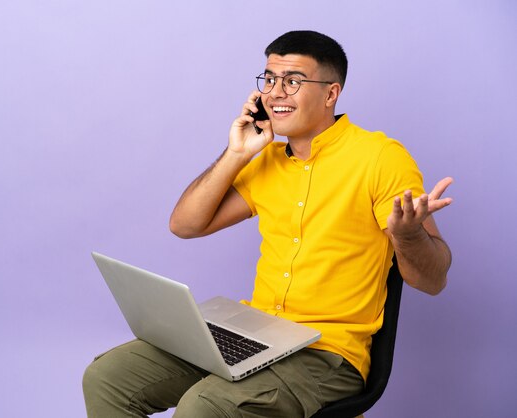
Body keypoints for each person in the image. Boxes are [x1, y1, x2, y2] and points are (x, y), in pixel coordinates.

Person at [83, 30, 453, 417]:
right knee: (107, 376)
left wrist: (408, 235)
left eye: (293, 81)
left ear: (331, 94)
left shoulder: (380, 158)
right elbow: (185, 225)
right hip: (255, 333)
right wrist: (236, 152)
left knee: (204, 406)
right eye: (270, 79)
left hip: (326, 353)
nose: (275, 92)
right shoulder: (266, 161)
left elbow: (433, 280)